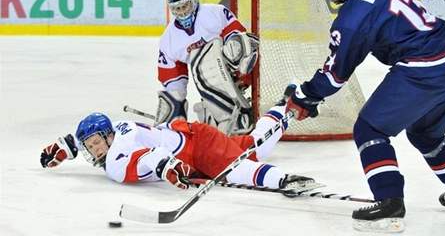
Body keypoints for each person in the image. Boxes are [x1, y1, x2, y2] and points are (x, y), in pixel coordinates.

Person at [286, 0, 445, 233]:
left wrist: (305, 96)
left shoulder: (353, 19)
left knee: (369, 129)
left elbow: (335, 76)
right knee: (425, 135)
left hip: (423, 67)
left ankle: (389, 200)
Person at [40, 103, 315, 193]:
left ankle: (283, 180)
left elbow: (149, 157)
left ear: (109, 137)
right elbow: (89, 135)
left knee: (234, 170)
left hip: (196, 147)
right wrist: (65, 147)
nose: (94, 150)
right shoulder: (115, 128)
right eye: (90, 146)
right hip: (190, 138)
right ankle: (283, 108)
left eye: (97, 143)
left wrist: (168, 166)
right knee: (253, 146)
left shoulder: (116, 163)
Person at [156, 0, 259, 135]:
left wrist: (238, 68)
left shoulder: (214, 12)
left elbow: (238, 36)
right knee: (180, 96)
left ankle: (239, 109)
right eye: (178, 9)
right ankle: (228, 115)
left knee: (235, 46)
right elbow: (173, 81)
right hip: (209, 84)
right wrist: (174, 113)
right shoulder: (168, 39)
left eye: (185, 5)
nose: (183, 12)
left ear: (194, 1)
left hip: (237, 71)